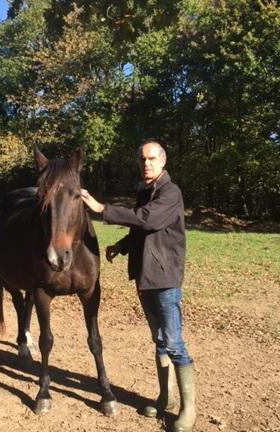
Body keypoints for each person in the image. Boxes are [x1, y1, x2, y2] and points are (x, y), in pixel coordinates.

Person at [81, 140, 196, 432]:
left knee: (173, 343)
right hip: (145, 276)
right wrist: (121, 246)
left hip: (165, 277)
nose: (146, 163)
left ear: (163, 161)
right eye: (142, 159)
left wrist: (101, 209)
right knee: (159, 340)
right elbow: (140, 230)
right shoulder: (144, 192)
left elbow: (148, 219)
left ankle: (188, 409)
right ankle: (165, 399)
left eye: (152, 158)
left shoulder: (171, 193)